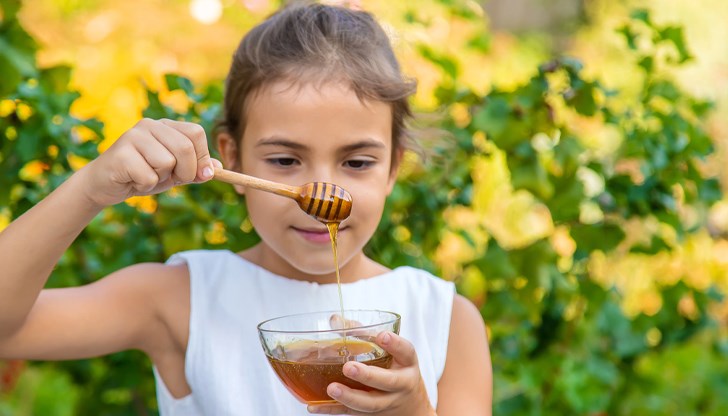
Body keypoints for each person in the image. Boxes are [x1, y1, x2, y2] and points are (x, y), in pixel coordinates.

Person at [0, 2, 492, 415]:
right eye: (284, 159)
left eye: (357, 162)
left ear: (393, 168)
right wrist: (88, 189)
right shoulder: (180, 299)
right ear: (231, 157)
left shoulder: (446, 319)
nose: (323, 196)